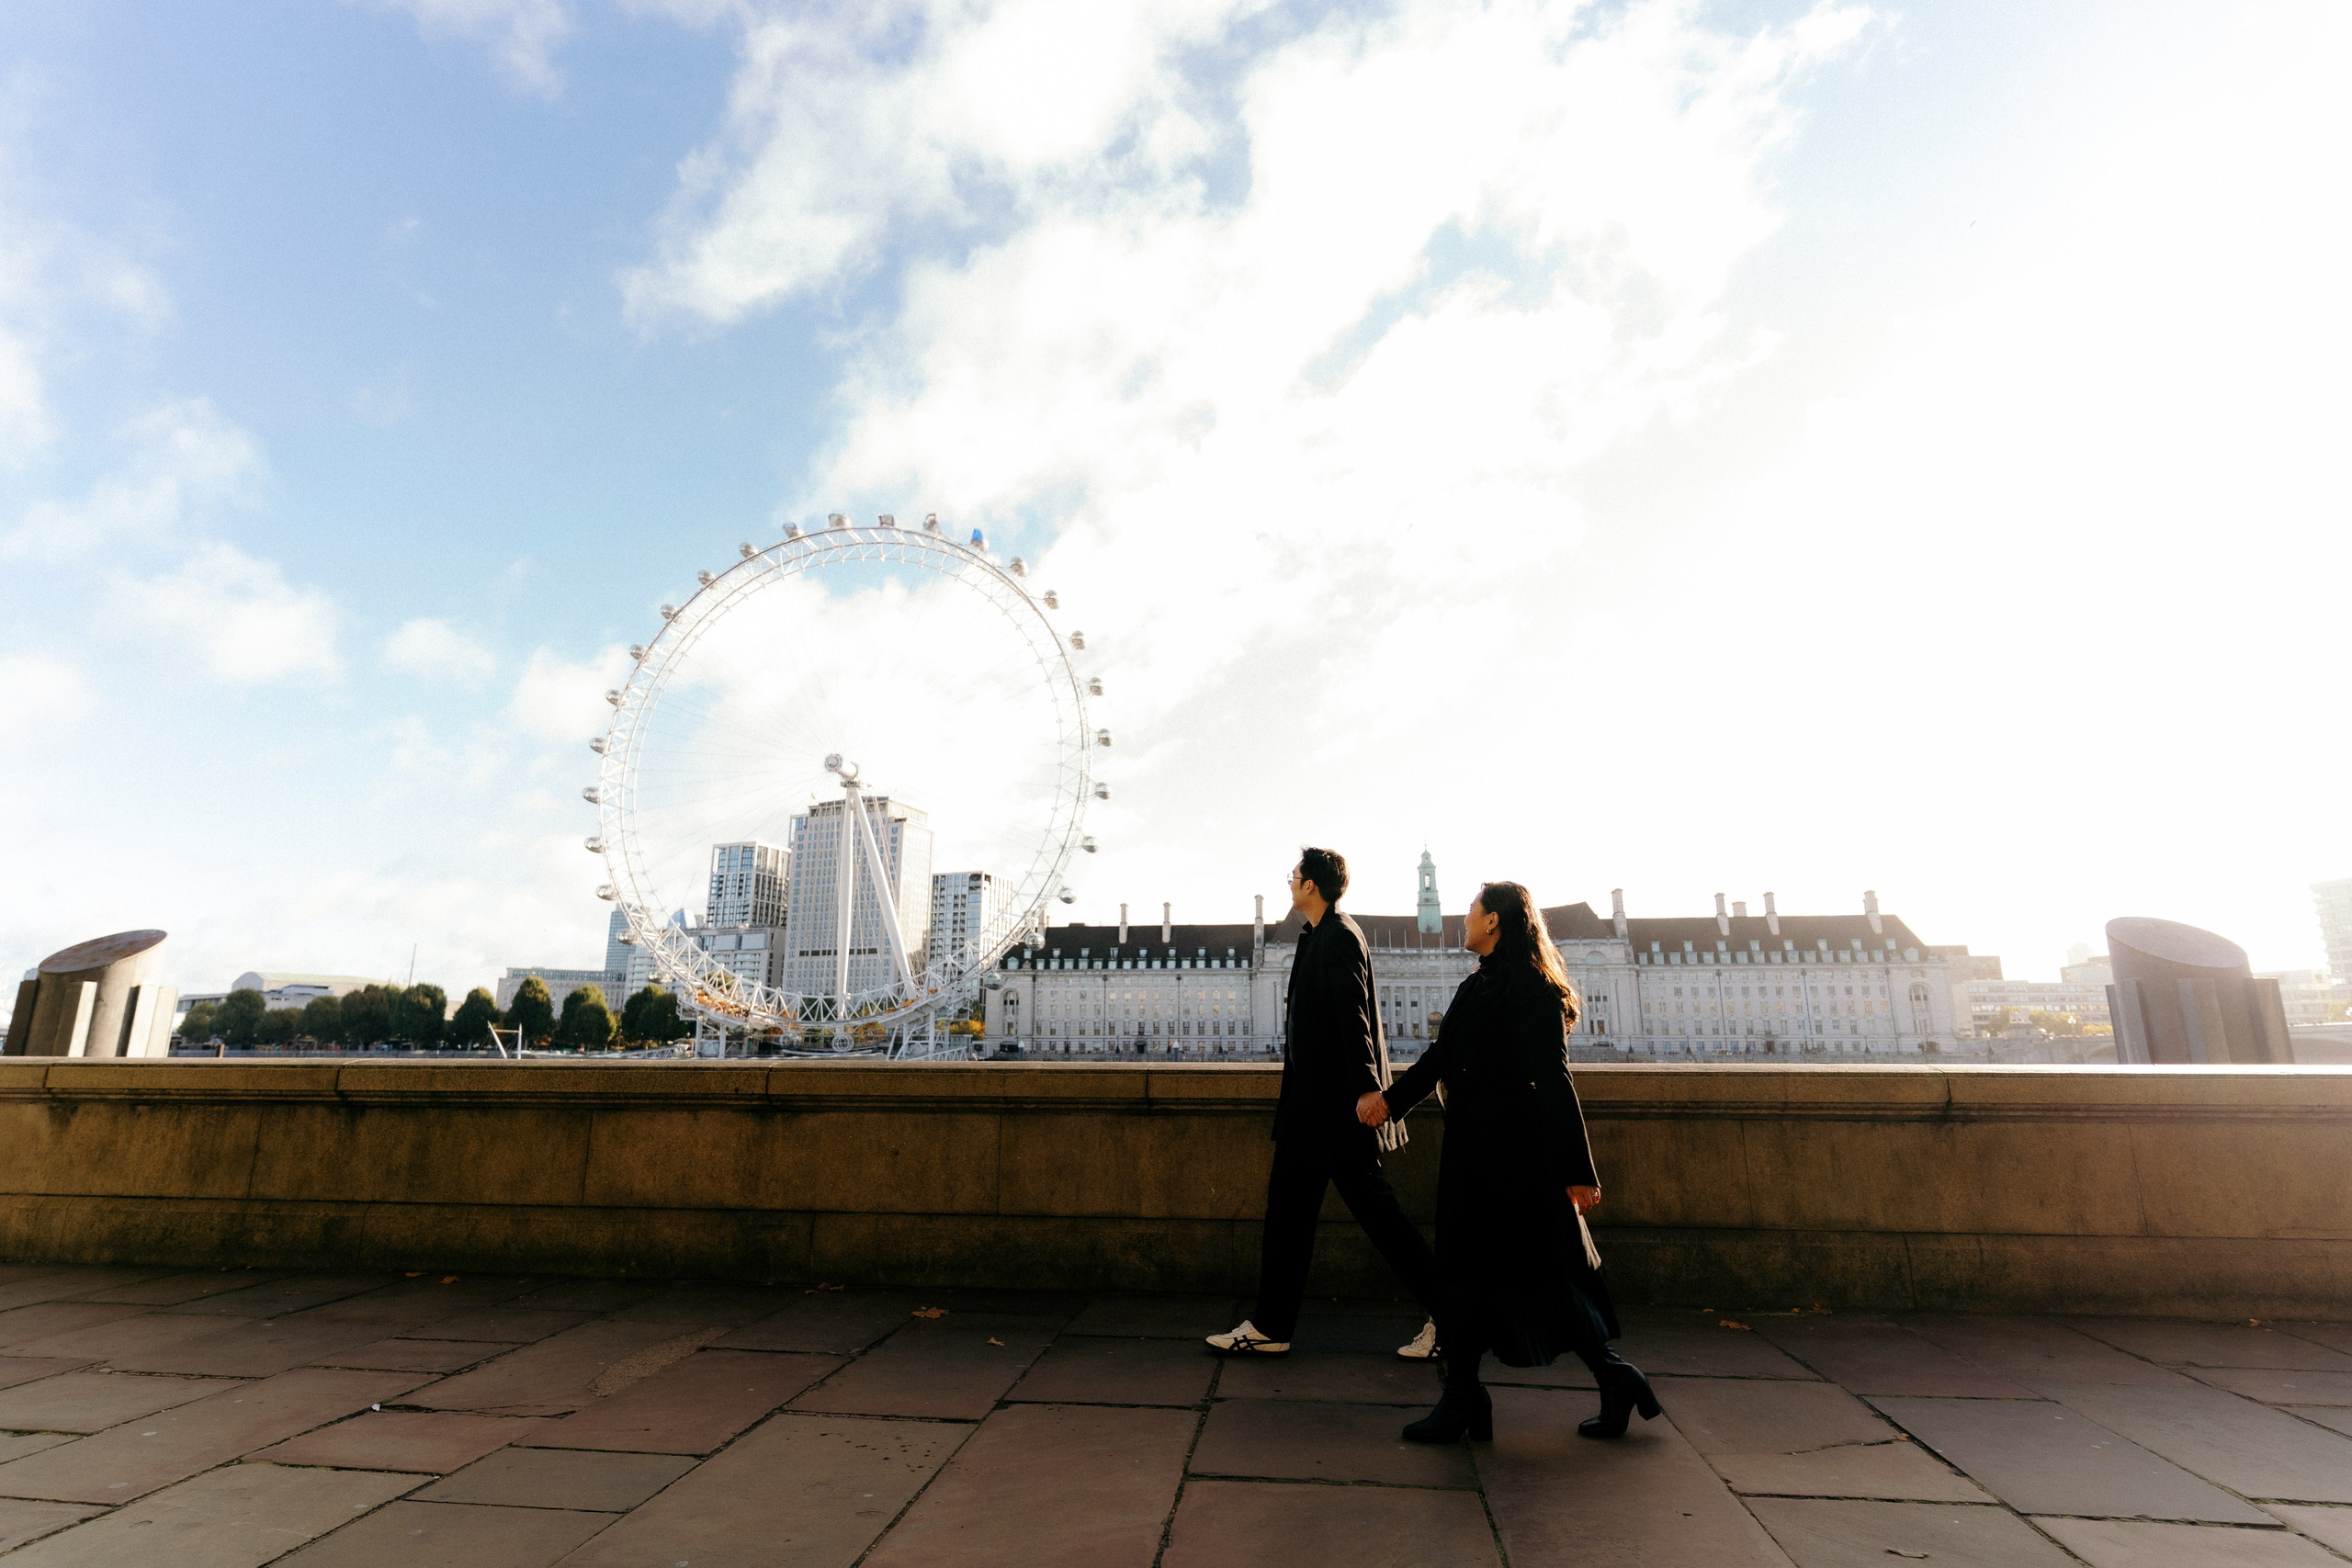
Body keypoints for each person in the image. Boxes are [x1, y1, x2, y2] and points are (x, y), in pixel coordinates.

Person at [1359, 879, 1660, 1443]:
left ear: (1494, 921)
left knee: (1527, 1280)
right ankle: (1484, 1395)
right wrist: (1388, 1103)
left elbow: (1553, 1080)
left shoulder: (1530, 990)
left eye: (1473, 910)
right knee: (1477, 1280)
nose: (1464, 919)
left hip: (1518, 1165)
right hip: (1474, 1156)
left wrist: (1578, 1170)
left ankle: (1491, 1396)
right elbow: (1440, 1059)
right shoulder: (1478, 986)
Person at [1208, 847, 1442, 1359]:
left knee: (1380, 1219)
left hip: (1334, 1112)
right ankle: (1271, 1325)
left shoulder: (1337, 937)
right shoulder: (1318, 935)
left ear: (1311, 884)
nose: (1290, 882)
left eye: (1294, 875)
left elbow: (1352, 1015)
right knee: (1289, 1217)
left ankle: (1453, 1314)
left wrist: (1365, 1089)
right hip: (1310, 1111)